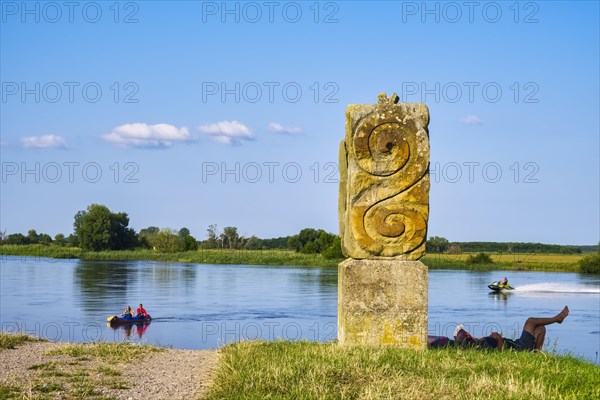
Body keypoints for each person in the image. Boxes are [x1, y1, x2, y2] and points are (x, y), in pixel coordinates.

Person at [452, 306, 569, 352]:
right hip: (519, 347)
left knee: (540, 328)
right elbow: (500, 353)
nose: (469, 333)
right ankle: (557, 319)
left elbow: (485, 341)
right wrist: (498, 339)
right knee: (531, 321)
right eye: (466, 333)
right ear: (467, 338)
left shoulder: (478, 342)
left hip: (517, 343)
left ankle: (537, 354)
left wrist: (493, 336)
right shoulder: (480, 347)